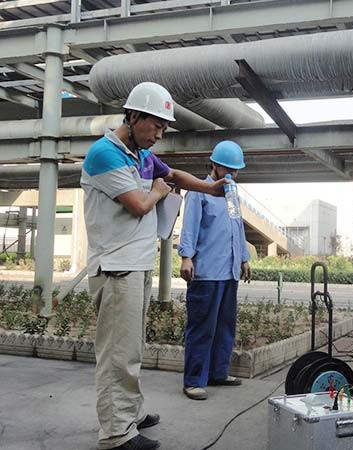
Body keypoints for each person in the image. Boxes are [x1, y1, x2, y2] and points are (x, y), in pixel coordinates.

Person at [81, 82, 227, 450]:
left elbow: (173, 175)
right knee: (118, 353)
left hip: (136, 264)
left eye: (164, 128)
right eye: (156, 125)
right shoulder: (105, 154)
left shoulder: (142, 155)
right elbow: (139, 205)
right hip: (116, 268)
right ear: (133, 116)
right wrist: (159, 191)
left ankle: (129, 413)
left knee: (131, 348)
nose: (160, 134)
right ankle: (116, 433)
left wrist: (210, 189)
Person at [178, 140, 251, 401]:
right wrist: (186, 257)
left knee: (225, 326)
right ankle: (193, 381)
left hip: (229, 272)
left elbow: (237, 227)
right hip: (207, 273)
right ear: (214, 166)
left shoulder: (232, 195)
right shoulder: (198, 192)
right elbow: (189, 226)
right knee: (202, 327)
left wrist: (244, 259)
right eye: (228, 169)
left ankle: (218, 372)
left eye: (236, 170)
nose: (233, 174)